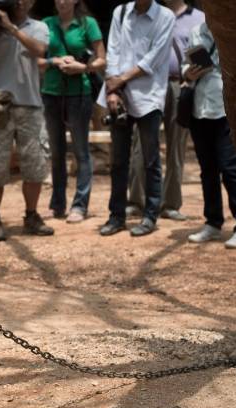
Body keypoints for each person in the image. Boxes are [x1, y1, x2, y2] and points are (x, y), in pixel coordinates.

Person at [0, 0, 54, 240]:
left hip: (29, 103)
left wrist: (11, 28)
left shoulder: (38, 26)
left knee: (34, 163)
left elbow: (40, 50)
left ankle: (31, 215)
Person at [97, 0, 174, 237]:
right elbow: (113, 51)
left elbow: (155, 58)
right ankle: (116, 216)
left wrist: (120, 81)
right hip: (119, 97)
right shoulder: (120, 12)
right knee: (119, 160)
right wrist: (112, 90)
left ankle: (150, 215)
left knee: (151, 160)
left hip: (149, 96)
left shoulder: (166, 16)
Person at [126, 0, 204, 222]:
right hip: (148, 84)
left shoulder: (199, 18)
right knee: (140, 144)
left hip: (179, 83)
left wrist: (193, 80)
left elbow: (203, 52)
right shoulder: (149, 13)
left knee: (176, 145)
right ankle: (136, 201)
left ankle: (171, 203)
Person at [183, 22, 236, 249]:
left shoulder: (235, 28)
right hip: (199, 109)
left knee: (230, 169)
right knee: (207, 170)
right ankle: (212, 222)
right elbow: (184, 65)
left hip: (226, 109)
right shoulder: (196, 30)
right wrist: (188, 72)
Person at [42, 0, 105, 224]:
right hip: (51, 93)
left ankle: (79, 205)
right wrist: (54, 60)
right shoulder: (46, 24)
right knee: (57, 152)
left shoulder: (88, 24)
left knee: (81, 151)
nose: (61, 1)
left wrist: (83, 68)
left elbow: (101, 59)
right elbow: (37, 59)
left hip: (80, 94)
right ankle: (57, 204)